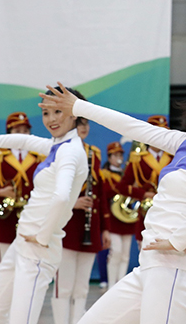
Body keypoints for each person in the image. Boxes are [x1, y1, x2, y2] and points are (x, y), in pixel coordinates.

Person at [39, 75, 186, 324]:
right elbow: (132, 127)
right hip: (151, 266)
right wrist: (78, 106)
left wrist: (177, 240)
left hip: (176, 270)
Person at [0, 86, 89, 323]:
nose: (51, 119)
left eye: (58, 111)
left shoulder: (70, 152)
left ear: (75, 112)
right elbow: (21, 140)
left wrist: (43, 236)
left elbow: (61, 197)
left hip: (38, 248)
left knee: (21, 319)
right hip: (23, 242)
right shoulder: (58, 146)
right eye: (46, 113)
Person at [51, 118, 111, 324]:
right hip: (67, 225)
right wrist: (73, 203)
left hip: (90, 226)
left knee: (82, 286)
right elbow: (50, 188)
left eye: (86, 123)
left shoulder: (94, 153)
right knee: (64, 284)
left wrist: (105, 229)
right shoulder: (59, 150)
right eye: (79, 123)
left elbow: (100, 194)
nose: (84, 127)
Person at [0, 112, 44, 281]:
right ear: (9, 133)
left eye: (25, 130)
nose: (22, 134)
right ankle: (0, 305)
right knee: (0, 264)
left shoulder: (38, 157)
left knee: (27, 265)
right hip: (4, 219)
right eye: (17, 130)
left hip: (30, 218)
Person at [111, 115, 173, 288]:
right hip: (147, 216)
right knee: (148, 259)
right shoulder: (138, 160)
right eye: (156, 133)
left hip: (170, 215)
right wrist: (143, 194)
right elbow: (122, 187)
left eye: (164, 133)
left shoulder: (174, 157)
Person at [98, 141, 125, 289]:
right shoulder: (105, 174)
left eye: (120, 154)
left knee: (124, 254)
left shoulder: (126, 173)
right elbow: (106, 192)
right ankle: (109, 282)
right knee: (114, 250)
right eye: (115, 155)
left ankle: (120, 283)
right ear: (109, 157)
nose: (118, 157)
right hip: (111, 217)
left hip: (124, 218)